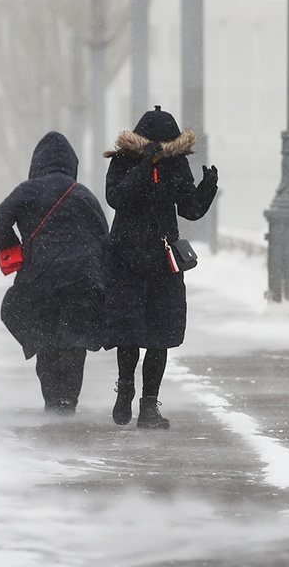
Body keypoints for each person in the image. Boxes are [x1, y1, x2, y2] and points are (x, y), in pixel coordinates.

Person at [103, 106, 218, 429]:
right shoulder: (121, 161)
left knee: (160, 336)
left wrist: (207, 187)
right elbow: (117, 198)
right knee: (128, 334)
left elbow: (190, 210)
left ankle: (149, 406)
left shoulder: (176, 165)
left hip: (162, 262)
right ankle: (125, 389)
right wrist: (144, 165)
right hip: (126, 261)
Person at [0, 131, 110, 414]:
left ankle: (52, 400)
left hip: (40, 279)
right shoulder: (82, 194)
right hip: (81, 280)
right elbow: (104, 238)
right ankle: (68, 401)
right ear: (71, 163)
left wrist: (12, 250)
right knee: (74, 342)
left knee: (45, 340)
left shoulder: (27, 191)